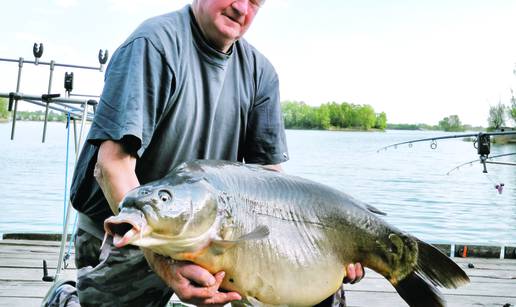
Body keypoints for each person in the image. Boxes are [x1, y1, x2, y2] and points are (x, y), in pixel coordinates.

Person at [44, 0, 363, 306]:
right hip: (130, 227)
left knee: (319, 296)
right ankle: (66, 299)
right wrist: (167, 266)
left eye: (255, 2)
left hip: (213, 232)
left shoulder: (261, 74)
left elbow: (271, 184)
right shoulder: (153, 45)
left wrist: (327, 251)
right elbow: (111, 165)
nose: (241, 7)